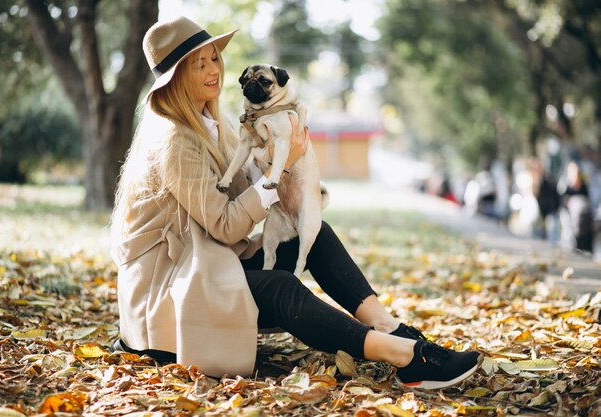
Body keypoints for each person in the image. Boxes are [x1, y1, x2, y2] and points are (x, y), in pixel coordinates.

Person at [109, 16, 483, 390]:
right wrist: (279, 168)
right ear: (174, 78)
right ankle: (403, 355)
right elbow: (226, 226)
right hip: (170, 295)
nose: (213, 71)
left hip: (208, 262)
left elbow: (244, 194)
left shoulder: (215, 125)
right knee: (280, 289)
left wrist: (284, 163)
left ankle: (392, 328)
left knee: (315, 234)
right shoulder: (176, 141)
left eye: (214, 58)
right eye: (199, 63)